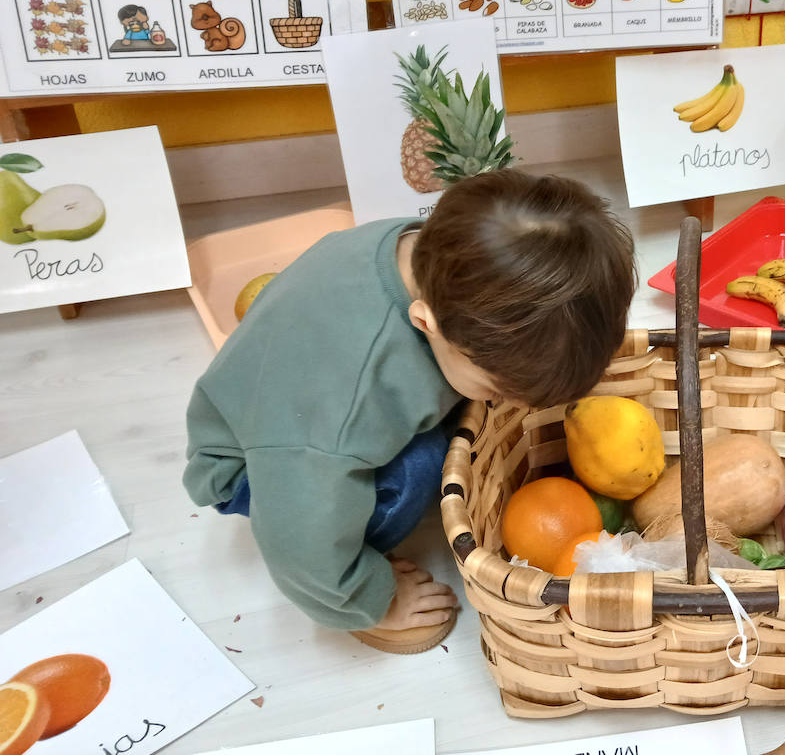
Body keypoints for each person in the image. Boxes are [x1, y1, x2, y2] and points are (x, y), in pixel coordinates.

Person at [184, 170, 637, 654]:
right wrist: (369, 596)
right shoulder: (345, 413)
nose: (510, 405)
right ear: (426, 321)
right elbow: (297, 537)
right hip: (260, 470)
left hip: (291, 419)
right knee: (425, 464)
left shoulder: (436, 251)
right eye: (495, 388)